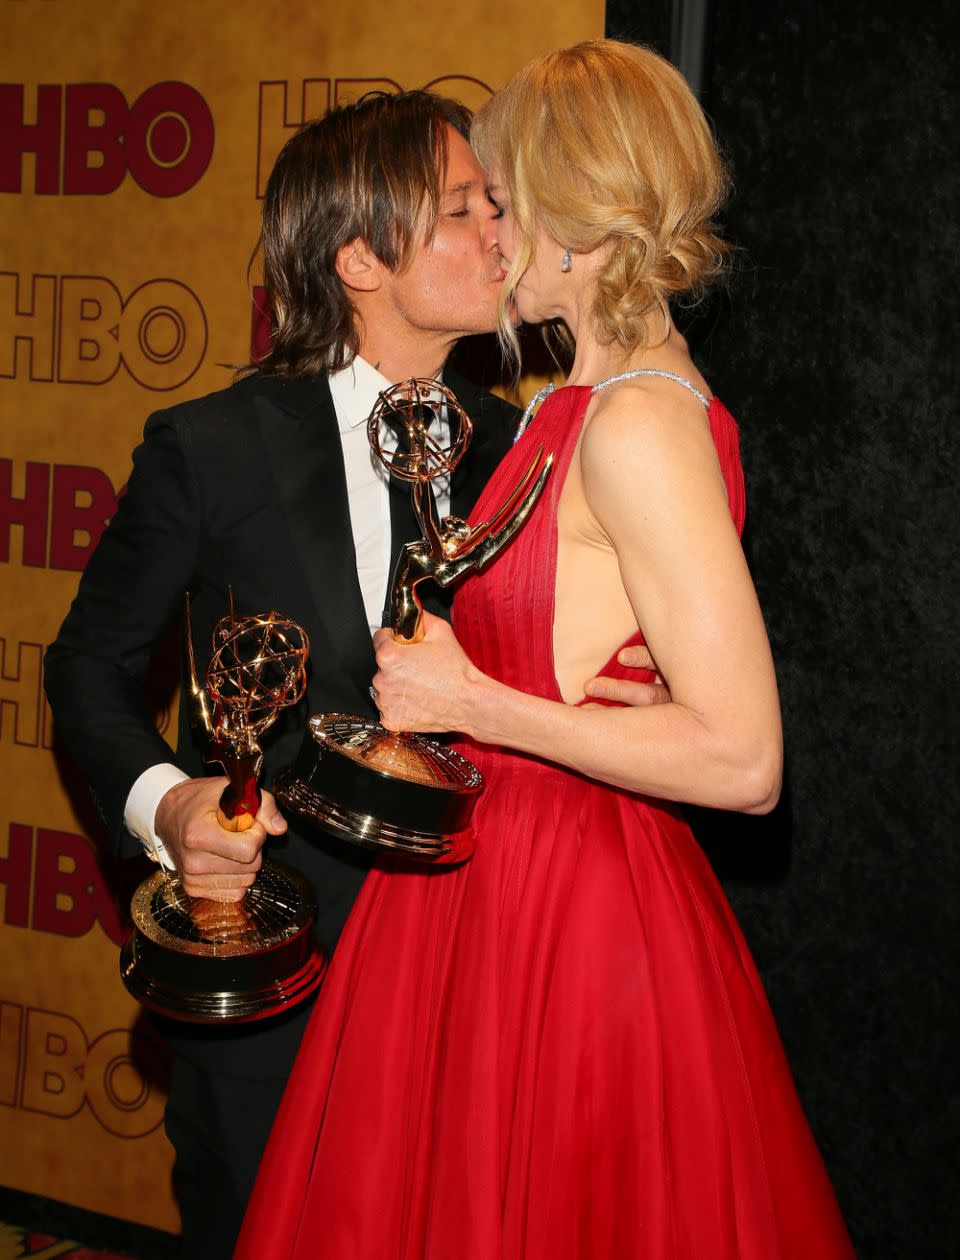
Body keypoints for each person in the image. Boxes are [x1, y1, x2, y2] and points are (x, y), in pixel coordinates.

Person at [235, 41, 856, 1260]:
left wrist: (481, 701)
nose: (494, 239)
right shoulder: (571, 404)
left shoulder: (638, 426)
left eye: (506, 205)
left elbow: (745, 759)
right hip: (492, 884)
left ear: (576, 221)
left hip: (572, 914)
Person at [43, 89, 659, 1258]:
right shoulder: (212, 447)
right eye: (463, 210)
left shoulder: (523, 450)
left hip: (476, 958)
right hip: (281, 966)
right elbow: (84, 670)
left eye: (496, 203)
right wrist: (169, 803)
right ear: (360, 257)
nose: (501, 232)